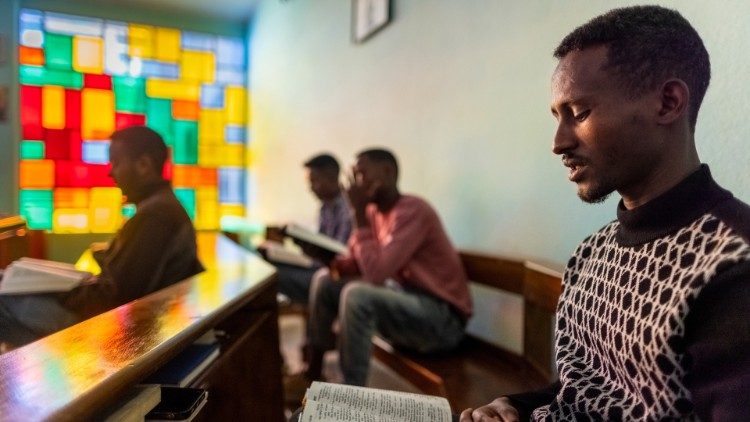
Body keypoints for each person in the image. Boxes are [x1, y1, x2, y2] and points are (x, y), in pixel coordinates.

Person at [461, 5, 750, 421]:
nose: (558, 144)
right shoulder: (593, 251)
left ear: (668, 103)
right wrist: (512, 407)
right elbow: (583, 388)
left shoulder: (731, 265)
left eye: (578, 113)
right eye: (556, 118)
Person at [0, 126, 204, 346]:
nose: (110, 172)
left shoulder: (156, 216)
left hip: (117, 333)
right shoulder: (162, 207)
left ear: (144, 165)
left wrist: (61, 290)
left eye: (116, 162)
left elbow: (113, 298)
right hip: (134, 323)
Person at [300, 148, 472, 388]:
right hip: (409, 308)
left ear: (388, 172)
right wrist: (328, 260)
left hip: (442, 322)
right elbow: (357, 262)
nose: (355, 185)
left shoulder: (412, 210)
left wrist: (357, 214)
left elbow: (376, 274)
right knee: (324, 279)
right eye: (354, 176)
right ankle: (313, 371)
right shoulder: (374, 213)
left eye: (362, 174)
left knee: (357, 295)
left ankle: (350, 396)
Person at [274, 153, 351, 304]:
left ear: (330, 177)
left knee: (272, 278)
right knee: (270, 266)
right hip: (317, 266)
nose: (310, 188)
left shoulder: (348, 208)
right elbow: (320, 243)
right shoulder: (325, 208)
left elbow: (341, 252)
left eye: (313, 181)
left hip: (334, 273)